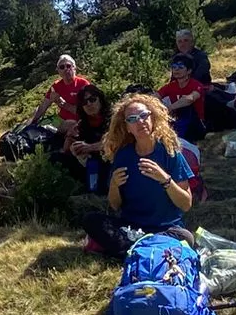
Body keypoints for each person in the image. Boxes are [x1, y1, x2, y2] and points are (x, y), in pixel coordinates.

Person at [81, 96, 197, 257]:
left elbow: (186, 204)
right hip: (131, 227)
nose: (140, 121)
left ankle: (129, 251)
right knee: (91, 220)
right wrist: (114, 185)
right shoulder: (123, 156)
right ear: (127, 127)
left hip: (165, 229)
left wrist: (165, 179)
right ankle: (142, 250)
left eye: (144, 115)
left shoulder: (170, 153)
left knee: (186, 238)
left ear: (153, 118)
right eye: (133, 119)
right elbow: (115, 205)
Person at [54, 83, 113, 192]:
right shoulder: (83, 124)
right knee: (58, 158)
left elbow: (116, 141)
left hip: (111, 159)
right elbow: (67, 148)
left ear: (100, 99)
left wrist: (90, 147)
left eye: (92, 99)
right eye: (84, 102)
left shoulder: (113, 118)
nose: (89, 104)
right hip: (91, 163)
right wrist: (71, 142)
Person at [29, 54, 88, 131]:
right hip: (60, 120)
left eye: (68, 66)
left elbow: (86, 111)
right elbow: (43, 106)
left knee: (69, 124)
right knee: (37, 121)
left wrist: (63, 104)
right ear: (58, 71)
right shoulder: (56, 86)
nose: (66, 69)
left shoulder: (83, 84)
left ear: (74, 67)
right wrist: (31, 123)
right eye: (62, 67)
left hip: (78, 123)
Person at [158, 54, 209, 141]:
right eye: (174, 67)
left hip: (195, 125)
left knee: (185, 108)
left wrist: (170, 108)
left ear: (189, 71)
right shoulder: (171, 86)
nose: (176, 69)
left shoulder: (196, 85)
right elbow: (155, 96)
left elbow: (190, 99)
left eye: (181, 67)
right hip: (176, 121)